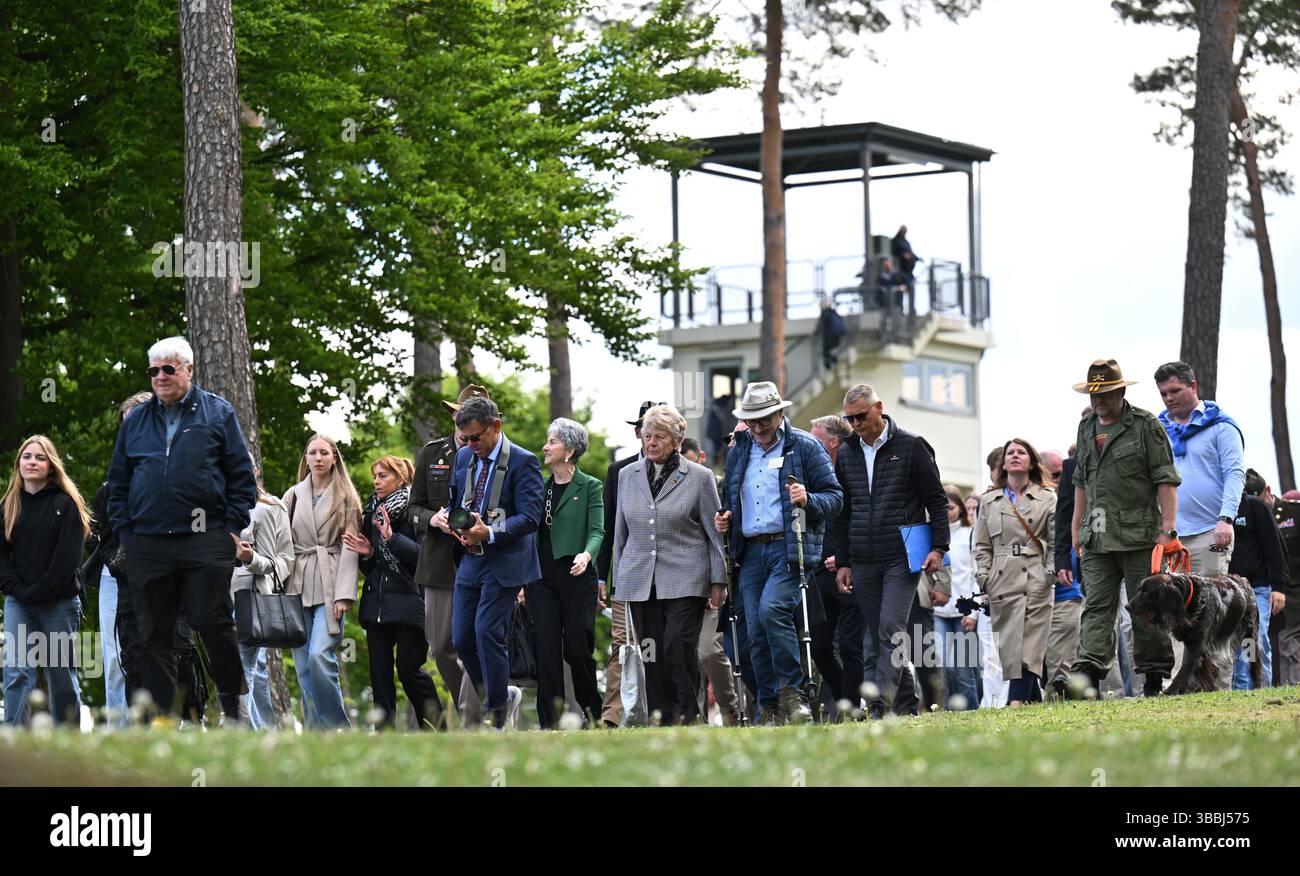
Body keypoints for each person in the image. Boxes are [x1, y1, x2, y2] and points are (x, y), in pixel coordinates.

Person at [106, 336, 255, 723]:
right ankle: (165, 720)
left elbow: (241, 477)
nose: (160, 376)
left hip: (206, 539)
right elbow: (118, 481)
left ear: (189, 370)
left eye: (168, 369)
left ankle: (233, 705)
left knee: (209, 619)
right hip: (149, 542)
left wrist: (231, 528)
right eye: (153, 370)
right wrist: (127, 535)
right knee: (154, 632)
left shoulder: (217, 414)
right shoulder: (136, 421)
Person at [715, 383, 842, 723]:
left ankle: (793, 693)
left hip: (791, 547)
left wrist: (808, 499)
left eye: (764, 420)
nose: (757, 428)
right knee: (755, 629)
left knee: (772, 610)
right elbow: (731, 499)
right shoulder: (740, 449)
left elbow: (835, 497)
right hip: (751, 551)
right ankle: (769, 704)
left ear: (780, 413)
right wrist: (726, 518)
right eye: (751, 421)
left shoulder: (805, 445)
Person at [830, 383, 949, 719]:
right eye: (849, 418)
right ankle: (909, 704)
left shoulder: (912, 447)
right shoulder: (849, 452)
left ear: (879, 408)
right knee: (882, 635)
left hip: (902, 556)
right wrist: (843, 561)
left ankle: (879, 704)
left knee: (891, 630)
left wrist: (939, 547)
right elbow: (843, 510)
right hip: (863, 559)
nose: (855, 424)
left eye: (861, 416)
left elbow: (936, 501)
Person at [1067, 359, 1180, 697]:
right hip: (1097, 537)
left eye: (1104, 393)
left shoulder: (1146, 425)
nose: (1097, 400)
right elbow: (1081, 482)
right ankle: (1087, 672)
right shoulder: (1086, 428)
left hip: (1141, 536)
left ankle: (1153, 677)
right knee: (1096, 607)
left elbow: (1165, 479)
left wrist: (1168, 530)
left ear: (1120, 391)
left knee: (1147, 606)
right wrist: (1076, 529)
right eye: (1092, 394)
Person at [613, 404, 727, 725]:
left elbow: (713, 532)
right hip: (639, 578)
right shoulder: (626, 476)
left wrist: (718, 580)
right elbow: (621, 533)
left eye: (659, 437)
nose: (651, 442)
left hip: (686, 575)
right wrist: (619, 582)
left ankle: (690, 715)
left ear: (677, 440)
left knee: (677, 646)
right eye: (647, 436)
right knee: (650, 652)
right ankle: (661, 717)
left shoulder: (700, 478)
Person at [434, 396, 543, 731]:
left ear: (496, 426)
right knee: (462, 638)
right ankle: (501, 695)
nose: (469, 444)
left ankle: (495, 715)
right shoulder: (465, 456)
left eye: (476, 437)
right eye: (465, 438)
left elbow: (530, 518)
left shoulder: (524, 461)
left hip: (506, 560)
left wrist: (490, 533)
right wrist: (451, 522)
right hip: (470, 558)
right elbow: (456, 502)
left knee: (486, 632)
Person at [344, 455, 443, 730]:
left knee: (410, 671)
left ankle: (435, 728)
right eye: (375, 475)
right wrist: (368, 554)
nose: (376, 481)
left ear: (400, 478)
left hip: (410, 603)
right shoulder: (372, 512)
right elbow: (374, 567)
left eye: (382, 475)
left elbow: (423, 558)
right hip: (377, 604)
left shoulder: (416, 512)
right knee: (380, 674)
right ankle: (384, 731)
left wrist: (392, 538)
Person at [409, 385, 486, 729]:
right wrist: (432, 520)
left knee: (470, 641)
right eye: (458, 411)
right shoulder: (431, 453)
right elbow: (413, 507)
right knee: (440, 649)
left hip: (480, 557)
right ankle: (484, 701)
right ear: (453, 415)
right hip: (439, 562)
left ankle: (472, 722)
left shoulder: (493, 452)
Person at [0, 436, 91, 726]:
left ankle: (67, 742)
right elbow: (2, 560)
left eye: (40, 458)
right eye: (27, 457)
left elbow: (67, 561)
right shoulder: (7, 507)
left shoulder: (66, 505)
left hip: (59, 602)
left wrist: (39, 592)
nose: (32, 462)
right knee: (16, 671)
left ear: (51, 466)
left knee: (60, 673)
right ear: (19, 464)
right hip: (19, 603)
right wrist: (22, 592)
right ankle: (15, 742)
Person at [283, 433, 362, 730]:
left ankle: (338, 727)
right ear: (306, 459)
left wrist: (345, 594)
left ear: (334, 458)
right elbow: (282, 542)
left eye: (324, 453)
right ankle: (316, 734)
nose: (318, 458)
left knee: (319, 655)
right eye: (313, 453)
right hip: (297, 583)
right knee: (303, 667)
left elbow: (351, 548)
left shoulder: (346, 498)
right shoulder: (291, 496)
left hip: (330, 583)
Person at [530, 418, 605, 728]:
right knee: (546, 651)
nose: (546, 447)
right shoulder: (540, 488)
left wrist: (587, 555)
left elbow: (598, 531)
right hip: (541, 578)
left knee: (577, 648)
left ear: (570, 450)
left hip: (577, 575)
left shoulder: (590, 486)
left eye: (552, 442)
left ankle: (593, 714)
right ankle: (550, 723)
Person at [83, 390, 152, 726]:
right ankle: (118, 731)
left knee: (163, 651)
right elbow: (96, 538)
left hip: (163, 574)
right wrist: (116, 558)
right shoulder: (109, 487)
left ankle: (162, 727)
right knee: (115, 658)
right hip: (116, 579)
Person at [974, 439, 1056, 706]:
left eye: (1021, 452)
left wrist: (1049, 573)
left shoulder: (1047, 497)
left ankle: (1015, 702)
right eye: (1010, 453)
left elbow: (1056, 541)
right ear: (1003, 462)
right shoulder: (988, 501)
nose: (1015, 456)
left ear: (1031, 461)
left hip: (1036, 576)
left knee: (1030, 643)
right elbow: (982, 544)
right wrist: (984, 577)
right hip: (1001, 579)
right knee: (1011, 646)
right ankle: (1031, 703)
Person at [598, 400, 662, 728]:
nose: (645, 433)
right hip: (627, 574)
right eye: (641, 427)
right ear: (637, 432)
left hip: (667, 575)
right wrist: (601, 576)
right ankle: (612, 717)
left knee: (662, 644)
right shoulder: (619, 471)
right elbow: (609, 526)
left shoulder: (682, 470)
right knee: (622, 644)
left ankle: (663, 711)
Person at [1155, 361, 1245, 578]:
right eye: (1163, 393)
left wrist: (1226, 519)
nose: (1169, 398)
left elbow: (1234, 474)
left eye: (1175, 390)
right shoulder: (1157, 430)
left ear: (1193, 386)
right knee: (1172, 608)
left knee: (1209, 607)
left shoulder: (1221, 426)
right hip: (1169, 534)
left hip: (1210, 531)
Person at [229, 453, 293, 730]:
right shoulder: (216, 504)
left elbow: (279, 562)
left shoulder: (266, 508)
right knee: (250, 671)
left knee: (243, 668)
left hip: (250, 597)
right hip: (217, 598)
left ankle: (239, 729)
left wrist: (249, 558)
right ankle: (263, 733)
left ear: (254, 469)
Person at [681, 438, 742, 726]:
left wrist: (718, 579)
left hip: (717, 582)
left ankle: (732, 710)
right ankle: (697, 719)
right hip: (682, 582)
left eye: (690, 459)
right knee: (687, 654)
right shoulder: (671, 489)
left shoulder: (718, 486)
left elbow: (720, 539)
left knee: (709, 651)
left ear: (702, 457)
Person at [808, 415, 866, 716]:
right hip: (819, 574)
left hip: (850, 572)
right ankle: (848, 698)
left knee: (851, 645)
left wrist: (847, 558)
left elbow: (863, 521)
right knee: (818, 647)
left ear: (833, 442)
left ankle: (853, 710)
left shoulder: (854, 475)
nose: (808, 444)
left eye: (815, 439)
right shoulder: (811, 478)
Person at [1228, 470, 1288, 689]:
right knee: (1239, 643)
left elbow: (1276, 549)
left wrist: (1279, 587)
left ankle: (1259, 686)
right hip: (1229, 591)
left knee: (1255, 638)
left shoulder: (1254, 506)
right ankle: (1241, 690)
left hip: (1258, 588)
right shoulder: (1216, 509)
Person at [934, 485, 979, 710]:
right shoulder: (932, 536)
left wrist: (974, 611)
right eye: (941, 507)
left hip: (964, 612)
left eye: (950, 507)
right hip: (939, 612)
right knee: (942, 666)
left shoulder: (971, 534)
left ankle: (971, 712)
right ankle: (947, 713)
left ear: (960, 508)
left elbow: (976, 575)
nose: (945, 511)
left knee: (963, 668)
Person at [1047, 446, 1084, 697]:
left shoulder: (1074, 500)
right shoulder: (1044, 503)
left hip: (1068, 593)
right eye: (1055, 475)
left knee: (1062, 663)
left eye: (1061, 474)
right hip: (1032, 595)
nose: (1061, 481)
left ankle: (1060, 701)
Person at [1272, 486, 1300, 685]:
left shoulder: (1295, 515)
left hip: (1293, 595)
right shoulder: (1268, 516)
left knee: (1288, 644)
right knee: (1284, 645)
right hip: (1282, 597)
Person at [819, 298, 846, 370]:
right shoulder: (834, 312)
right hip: (836, 336)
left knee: (827, 352)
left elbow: (821, 326)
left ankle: (829, 367)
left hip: (828, 337)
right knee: (833, 352)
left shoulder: (824, 313)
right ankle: (834, 364)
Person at [891, 224, 919, 292]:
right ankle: (903, 287)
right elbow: (894, 252)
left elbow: (911, 252)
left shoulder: (906, 242)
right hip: (901, 268)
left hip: (908, 270)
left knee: (912, 280)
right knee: (906, 280)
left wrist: (916, 258)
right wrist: (903, 255)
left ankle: (905, 287)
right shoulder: (895, 240)